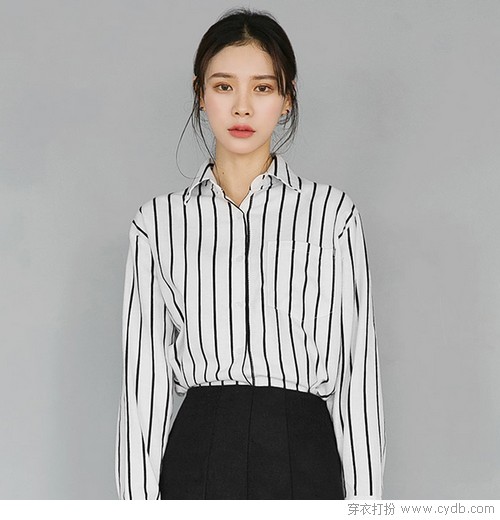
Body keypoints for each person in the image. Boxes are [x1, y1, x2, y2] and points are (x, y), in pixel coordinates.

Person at [115, 7, 386, 500]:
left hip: (305, 454)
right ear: (200, 95)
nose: (242, 108)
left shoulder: (333, 215)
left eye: (262, 88)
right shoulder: (157, 223)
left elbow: (357, 376)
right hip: (198, 457)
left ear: (287, 99)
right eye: (224, 86)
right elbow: (143, 387)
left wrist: (366, 508)